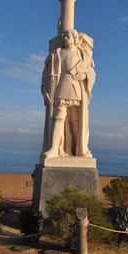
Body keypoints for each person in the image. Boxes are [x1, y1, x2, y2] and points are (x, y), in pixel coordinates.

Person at [42, 29, 95, 158]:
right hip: (63, 85)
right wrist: (45, 88)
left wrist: (83, 75)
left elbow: (91, 72)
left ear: (75, 38)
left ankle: (79, 149)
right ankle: (54, 149)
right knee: (59, 117)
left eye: (69, 36)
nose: (66, 38)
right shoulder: (58, 53)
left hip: (77, 87)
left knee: (76, 119)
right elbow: (47, 73)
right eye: (65, 36)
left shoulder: (83, 55)